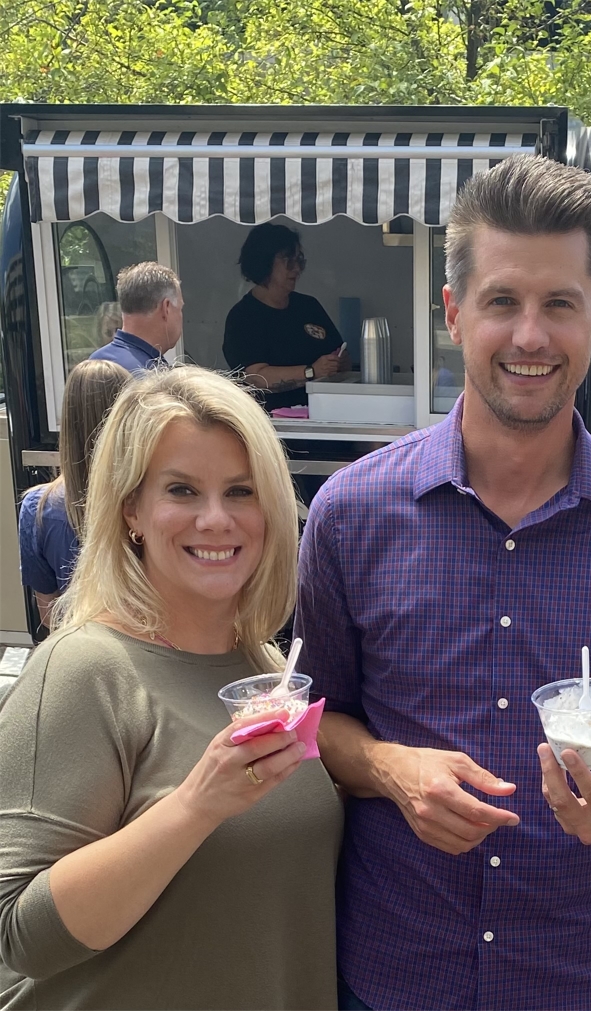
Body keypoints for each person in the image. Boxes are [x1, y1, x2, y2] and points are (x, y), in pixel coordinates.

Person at [295, 154, 591, 1011]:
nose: (531, 336)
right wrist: (390, 767)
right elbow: (317, 721)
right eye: (502, 301)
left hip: (582, 979)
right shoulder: (351, 512)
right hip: (394, 973)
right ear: (453, 312)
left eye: (559, 303)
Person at [0, 365, 344, 1009]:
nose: (216, 520)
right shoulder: (83, 670)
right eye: (182, 491)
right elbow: (23, 936)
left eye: (241, 492)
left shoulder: (260, 671)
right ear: (131, 509)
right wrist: (196, 805)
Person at [18, 358, 130, 629]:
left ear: (66, 421)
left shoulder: (37, 508)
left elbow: (49, 614)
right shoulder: (144, 500)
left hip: (77, 645)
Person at [223, 222, 350, 411]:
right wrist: (311, 371)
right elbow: (257, 377)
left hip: (324, 420)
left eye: (300, 260)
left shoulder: (309, 306)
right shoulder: (243, 317)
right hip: (274, 427)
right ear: (264, 262)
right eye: (289, 261)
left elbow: (342, 355)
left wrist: (337, 362)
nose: (297, 269)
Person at [88, 262, 182, 372]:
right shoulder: (152, 376)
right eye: (180, 308)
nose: (181, 317)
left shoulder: (95, 363)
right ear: (166, 308)